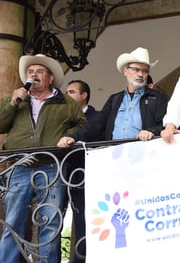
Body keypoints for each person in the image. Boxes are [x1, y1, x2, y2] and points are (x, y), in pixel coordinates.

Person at [0, 54, 86, 262]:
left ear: (50, 78)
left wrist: (68, 137)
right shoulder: (13, 99)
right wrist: (12, 103)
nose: (33, 75)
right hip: (19, 167)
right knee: (13, 220)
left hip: (52, 166)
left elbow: (83, 125)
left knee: (51, 220)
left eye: (39, 71)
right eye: (30, 72)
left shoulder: (65, 102)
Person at [57, 46, 168, 146]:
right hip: (115, 156)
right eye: (136, 69)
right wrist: (73, 137)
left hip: (143, 154)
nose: (140, 74)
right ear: (125, 71)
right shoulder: (115, 99)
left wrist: (151, 131)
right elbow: (96, 124)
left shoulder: (157, 98)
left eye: (145, 71)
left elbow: (166, 124)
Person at [64, 79, 100, 262]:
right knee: (71, 221)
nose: (66, 95)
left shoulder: (98, 117)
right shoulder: (62, 118)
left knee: (90, 221)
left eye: (71, 92)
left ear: (84, 95)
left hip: (89, 177)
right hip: (65, 176)